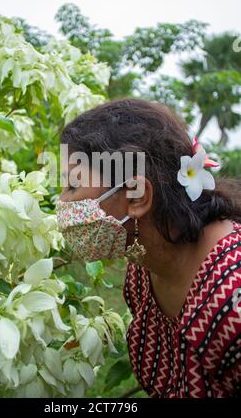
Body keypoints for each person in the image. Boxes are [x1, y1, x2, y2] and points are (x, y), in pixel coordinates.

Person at [56, 98, 241, 398]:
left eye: (73, 186)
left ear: (137, 196)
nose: (63, 202)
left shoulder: (232, 302)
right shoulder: (141, 270)